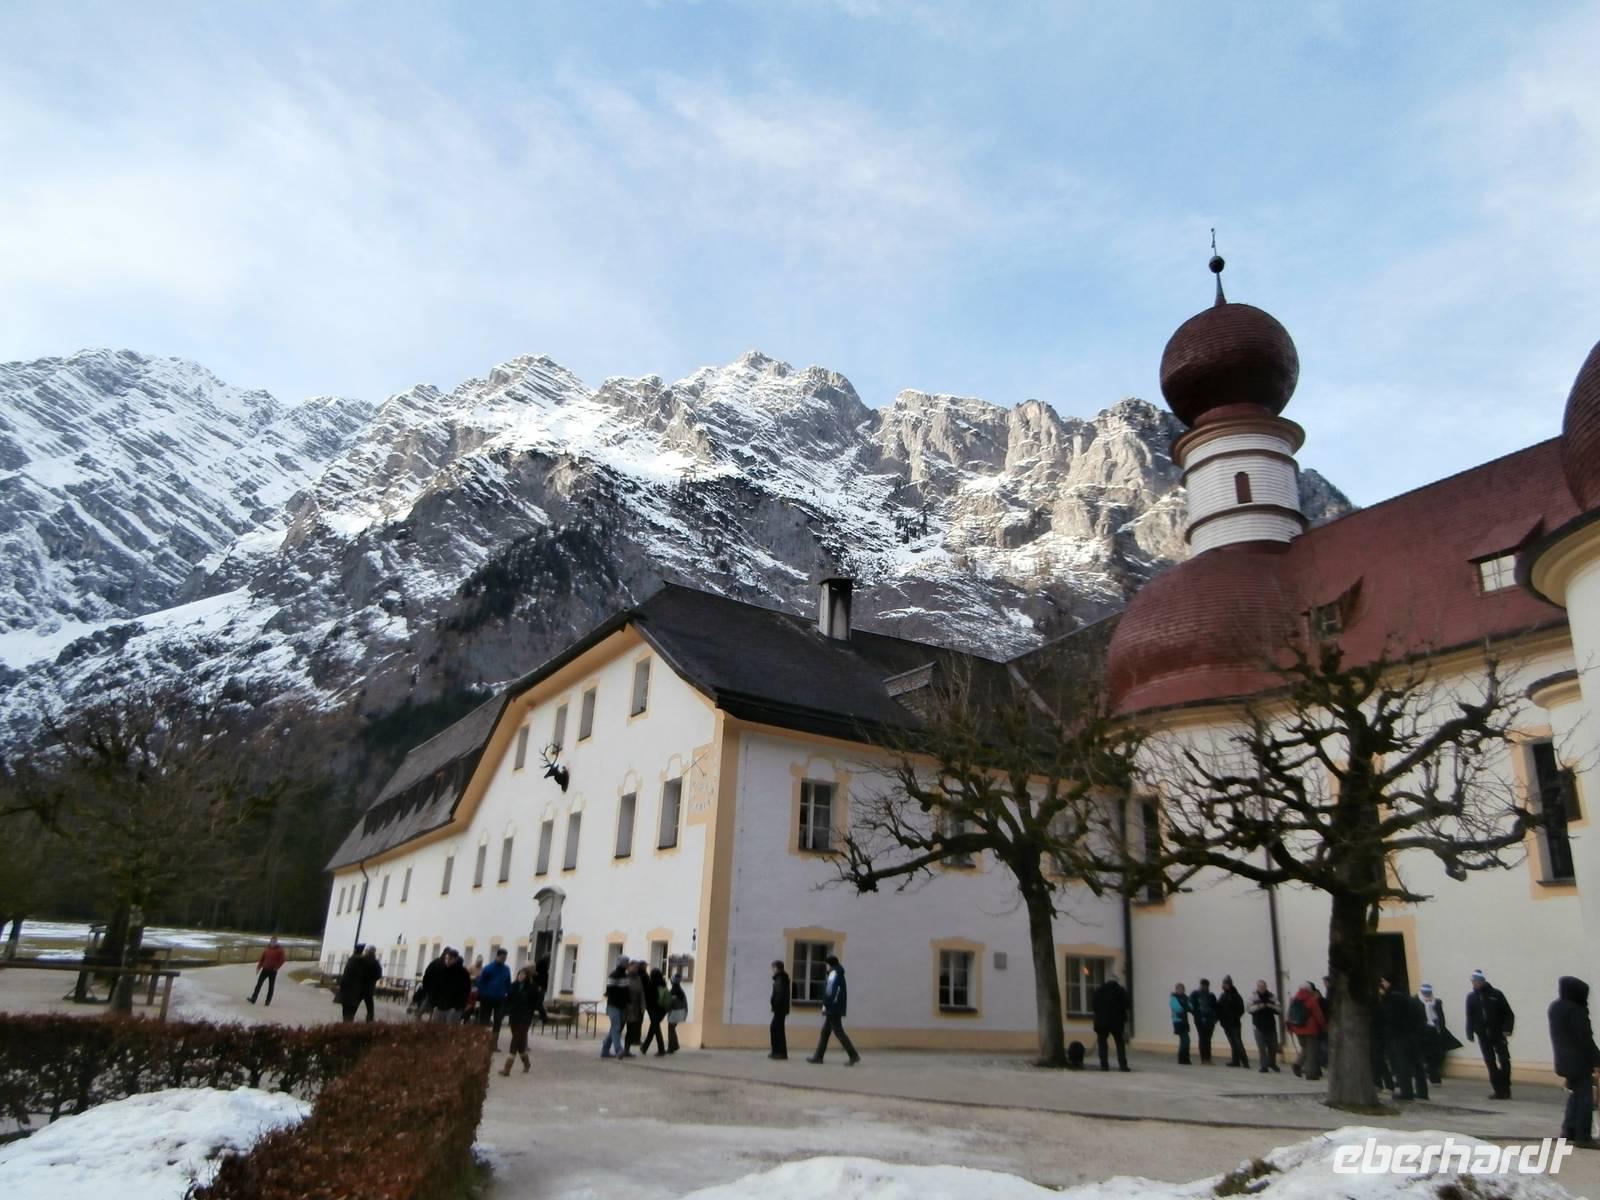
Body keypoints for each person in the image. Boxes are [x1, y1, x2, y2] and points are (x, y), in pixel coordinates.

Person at [1549, 976, 1600, 1145]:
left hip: (1563, 1060)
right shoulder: (1576, 1010)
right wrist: (1597, 1060)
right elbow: (1585, 1038)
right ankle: (1582, 1136)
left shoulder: (1555, 1007)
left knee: (1574, 1095)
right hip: (1579, 1061)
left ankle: (1568, 1131)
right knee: (1585, 1099)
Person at [1466, 968, 1515, 1099]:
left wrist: (1507, 1029)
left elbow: (1508, 1013)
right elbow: (1470, 1016)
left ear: (1482, 981)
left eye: (1475, 981)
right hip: (1483, 1035)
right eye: (1472, 981)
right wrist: (1470, 1031)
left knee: (1504, 1060)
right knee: (1490, 1062)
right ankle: (1498, 1089)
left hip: (1498, 1034)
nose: (1473, 984)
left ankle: (1506, 1086)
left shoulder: (1496, 994)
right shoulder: (1471, 998)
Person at [807, 954, 859, 1065]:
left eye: (826, 964)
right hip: (835, 1006)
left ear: (829, 964)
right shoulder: (838, 973)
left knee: (839, 1032)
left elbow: (830, 990)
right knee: (825, 1032)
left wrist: (826, 1003)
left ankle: (853, 1055)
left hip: (832, 1007)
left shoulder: (833, 973)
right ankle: (818, 1056)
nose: (826, 967)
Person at [1419, 982, 1460, 1084]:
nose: (1427, 995)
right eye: (1425, 993)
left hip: (1435, 1030)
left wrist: (1440, 1028)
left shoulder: (1436, 1002)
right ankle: (1431, 1074)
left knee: (1437, 1054)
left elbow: (1441, 1016)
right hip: (1423, 1032)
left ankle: (1435, 1075)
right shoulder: (1416, 1001)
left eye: (1428, 993)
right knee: (1427, 1054)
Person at [499, 966, 537, 1076]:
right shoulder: (513, 986)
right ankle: (527, 1063)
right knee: (520, 1044)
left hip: (525, 1018)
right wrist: (503, 1012)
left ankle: (507, 1068)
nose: (521, 976)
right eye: (519, 974)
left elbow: (536, 1003)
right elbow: (507, 1001)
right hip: (514, 1017)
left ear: (527, 977)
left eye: (523, 974)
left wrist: (543, 1015)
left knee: (514, 1042)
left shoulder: (531, 988)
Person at [1286, 980, 1325, 1082]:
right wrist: (1324, 1026)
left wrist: (1289, 1028)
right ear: (1309, 990)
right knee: (1312, 1052)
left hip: (1297, 1029)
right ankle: (1311, 1074)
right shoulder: (1311, 1000)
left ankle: (1297, 1065)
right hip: (1310, 1030)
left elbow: (1289, 1015)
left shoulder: (1294, 1000)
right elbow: (1318, 1015)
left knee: (1306, 1049)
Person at [1091, 973, 1130, 1072]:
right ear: (1116, 981)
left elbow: (1094, 1005)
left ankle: (1104, 1065)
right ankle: (1123, 1065)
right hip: (1117, 1021)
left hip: (1101, 1022)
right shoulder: (1120, 990)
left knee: (1102, 1043)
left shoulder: (1099, 990)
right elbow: (1128, 1005)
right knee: (1119, 1043)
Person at [476, 948, 513, 1048]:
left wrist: (508, 994)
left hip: (500, 999)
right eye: (502, 957)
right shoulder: (488, 968)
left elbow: (508, 983)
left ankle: (493, 1044)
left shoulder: (506, 969)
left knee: (498, 1021)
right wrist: (483, 993)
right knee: (484, 1020)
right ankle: (481, 1041)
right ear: (497, 956)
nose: (504, 960)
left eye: (505, 958)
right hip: (487, 998)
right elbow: (481, 983)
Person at [429, 948, 473, 1023]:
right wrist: (434, 1003)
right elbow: (436, 988)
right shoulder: (442, 970)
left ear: (455, 959)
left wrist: (458, 1006)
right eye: (446, 958)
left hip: (454, 1008)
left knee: (450, 1030)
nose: (447, 961)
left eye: (450, 959)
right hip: (439, 1006)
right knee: (436, 1029)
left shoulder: (463, 973)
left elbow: (465, 991)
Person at [1218, 975, 1249, 1068]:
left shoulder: (1236, 995)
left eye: (1226, 984)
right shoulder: (1223, 996)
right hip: (1226, 1023)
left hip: (1234, 1023)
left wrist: (1234, 1017)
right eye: (1224, 984)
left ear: (1230, 984)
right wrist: (1221, 1019)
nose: (1225, 985)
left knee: (1238, 1042)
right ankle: (1235, 1061)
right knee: (1232, 1042)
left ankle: (1245, 1061)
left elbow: (1241, 1009)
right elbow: (1219, 1008)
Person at [1249, 980, 1281, 1073]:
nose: (1261, 988)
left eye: (1263, 986)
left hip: (1270, 1025)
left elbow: (1279, 1009)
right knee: (1261, 1047)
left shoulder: (1272, 996)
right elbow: (1249, 1009)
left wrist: (1271, 1006)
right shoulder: (1253, 997)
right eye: (1259, 986)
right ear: (1257, 987)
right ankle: (1264, 1066)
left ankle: (1272, 1063)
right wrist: (1259, 1006)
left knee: (1273, 1046)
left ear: (1266, 987)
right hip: (1258, 1025)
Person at [602, 957, 631, 1059]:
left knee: (615, 1028)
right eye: (627, 963)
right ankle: (619, 1050)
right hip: (613, 1005)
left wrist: (628, 1003)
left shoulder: (626, 976)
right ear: (622, 964)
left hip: (622, 1006)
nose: (628, 965)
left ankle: (605, 1050)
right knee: (617, 1027)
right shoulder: (613, 975)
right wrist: (620, 998)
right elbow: (609, 991)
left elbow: (627, 991)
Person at [248, 936, 286, 1006]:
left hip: (273, 971)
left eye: (274, 941)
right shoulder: (267, 948)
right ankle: (253, 998)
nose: (273, 942)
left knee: (271, 986)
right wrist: (258, 967)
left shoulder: (280, 950)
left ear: (277, 942)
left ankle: (268, 1001)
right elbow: (262, 958)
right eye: (272, 941)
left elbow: (282, 960)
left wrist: (276, 967)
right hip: (265, 969)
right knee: (259, 984)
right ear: (270, 941)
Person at [642, 966, 669, 1056]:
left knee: (655, 1028)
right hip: (662, 1010)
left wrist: (645, 1006)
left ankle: (660, 1049)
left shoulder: (650, 984)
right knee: (654, 1027)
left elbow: (648, 998)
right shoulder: (663, 983)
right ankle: (645, 1047)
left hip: (652, 1009)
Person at [1191, 978, 1219, 1065]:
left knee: (1208, 1039)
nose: (1204, 987)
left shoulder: (1211, 995)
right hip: (1200, 1021)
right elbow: (1191, 1007)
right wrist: (1197, 1015)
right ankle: (1204, 1059)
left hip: (1210, 1021)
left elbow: (1216, 1008)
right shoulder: (1195, 995)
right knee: (1203, 1039)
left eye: (1206, 985)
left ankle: (1208, 1058)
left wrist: (1215, 1019)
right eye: (1203, 985)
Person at [769, 959, 791, 1060]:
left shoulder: (780, 979)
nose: (772, 970)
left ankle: (780, 1052)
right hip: (780, 1008)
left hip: (779, 1009)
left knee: (777, 1029)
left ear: (777, 968)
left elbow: (780, 994)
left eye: (773, 968)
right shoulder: (781, 978)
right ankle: (777, 1051)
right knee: (776, 1028)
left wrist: (775, 1004)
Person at [625, 960, 646, 1053]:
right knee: (618, 1028)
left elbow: (641, 993)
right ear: (629, 967)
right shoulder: (624, 977)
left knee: (631, 1029)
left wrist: (643, 1006)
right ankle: (609, 1047)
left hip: (635, 1008)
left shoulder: (638, 978)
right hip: (625, 1007)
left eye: (637, 968)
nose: (636, 969)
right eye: (634, 967)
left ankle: (627, 1049)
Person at [1170, 982, 1192, 1065]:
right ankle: (1182, 1058)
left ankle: (1184, 1058)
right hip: (1178, 1021)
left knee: (1184, 1041)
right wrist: (1185, 1007)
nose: (1181, 990)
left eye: (1182, 989)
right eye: (1179, 989)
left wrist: (1187, 1007)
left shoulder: (1185, 997)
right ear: (1176, 989)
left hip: (1184, 1021)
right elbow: (1177, 1008)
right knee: (1185, 1040)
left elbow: (1190, 1006)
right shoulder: (1174, 998)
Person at [667, 971, 688, 1054]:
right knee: (672, 1029)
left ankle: (671, 1047)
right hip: (681, 1012)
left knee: (671, 1030)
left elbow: (670, 1003)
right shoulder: (681, 991)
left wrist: (667, 1010)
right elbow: (685, 1004)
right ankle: (674, 1046)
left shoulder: (673, 991)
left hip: (674, 1013)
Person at [532, 953, 551, 1021]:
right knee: (539, 1002)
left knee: (539, 1002)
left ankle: (542, 1017)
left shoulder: (542, 963)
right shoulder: (541, 963)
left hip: (541, 985)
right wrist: (539, 985)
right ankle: (543, 1017)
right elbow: (537, 975)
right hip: (540, 986)